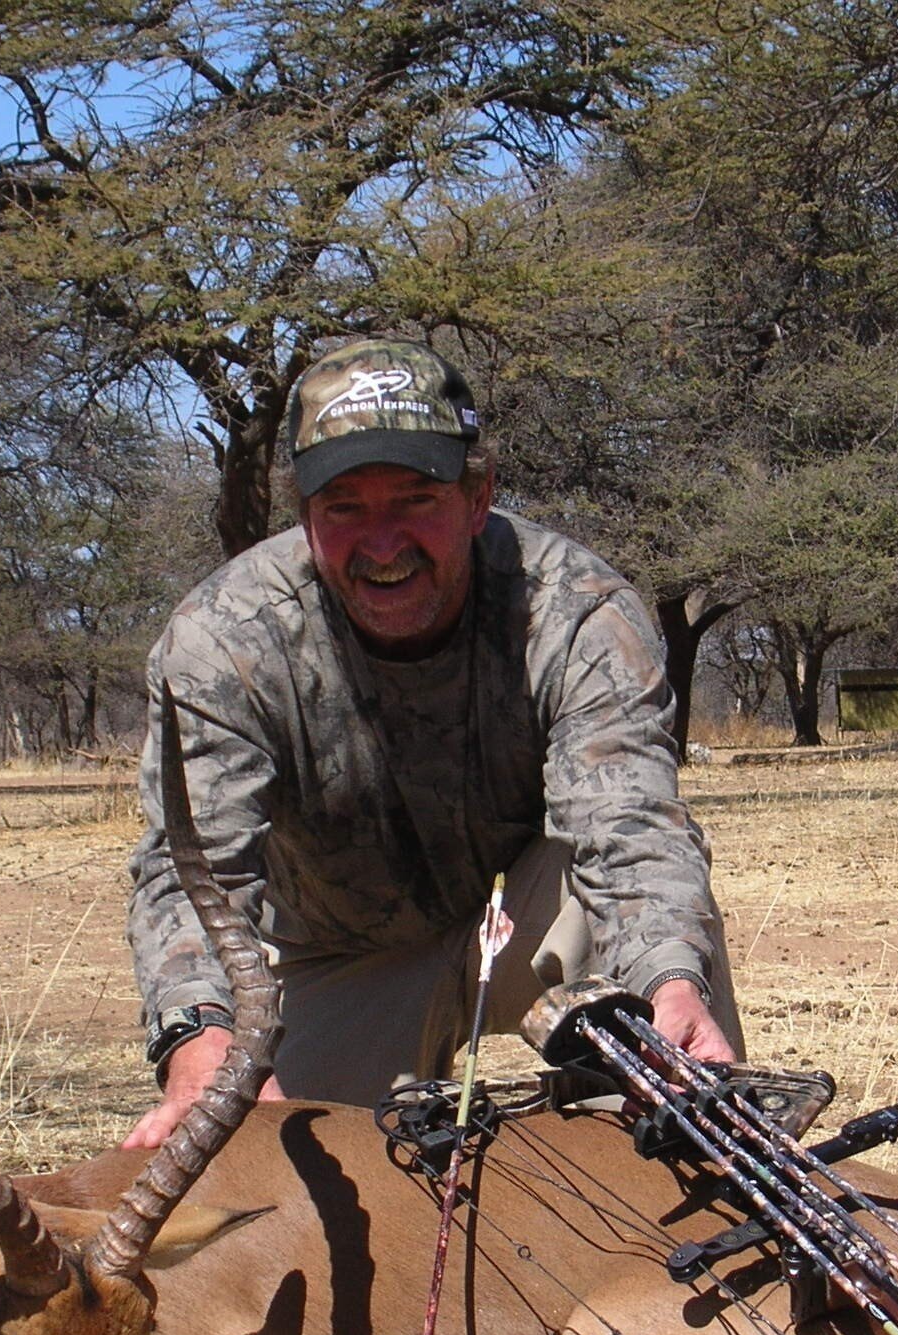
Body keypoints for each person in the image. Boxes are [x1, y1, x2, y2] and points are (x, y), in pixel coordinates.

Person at [123, 337, 743, 1149]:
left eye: (415, 498)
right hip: (337, 953)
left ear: (478, 497)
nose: (382, 545)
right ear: (305, 514)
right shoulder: (220, 640)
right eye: (344, 507)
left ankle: (690, 1141)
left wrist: (668, 978)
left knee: (675, 1088)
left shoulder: (580, 613)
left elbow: (630, 831)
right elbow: (191, 866)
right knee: (277, 1181)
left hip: (526, 921)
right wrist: (201, 1036)